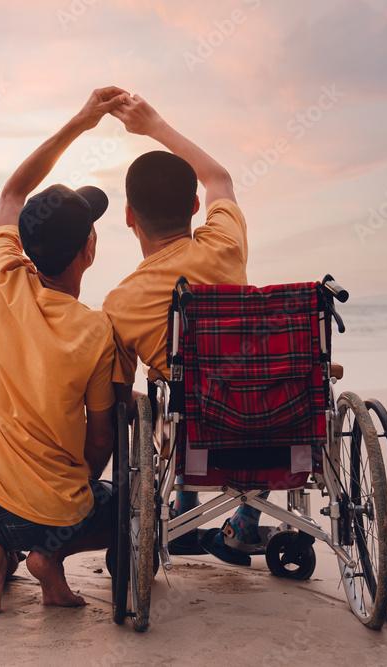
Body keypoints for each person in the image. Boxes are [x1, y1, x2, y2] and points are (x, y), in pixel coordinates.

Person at [0, 87, 128, 614]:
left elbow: (13, 189)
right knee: (120, 505)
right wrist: (77, 490)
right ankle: (49, 559)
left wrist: (79, 121)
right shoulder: (95, 332)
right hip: (49, 515)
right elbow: (100, 440)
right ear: (88, 250)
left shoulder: (1, 275)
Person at [103, 94, 266, 566]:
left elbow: (118, 399)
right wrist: (154, 125)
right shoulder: (224, 245)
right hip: (274, 417)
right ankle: (245, 522)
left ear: (129, 217)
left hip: (197, 433)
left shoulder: (121, 304)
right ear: (196, 206)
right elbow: (220, 178)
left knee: (169, 387)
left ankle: (183, 503)